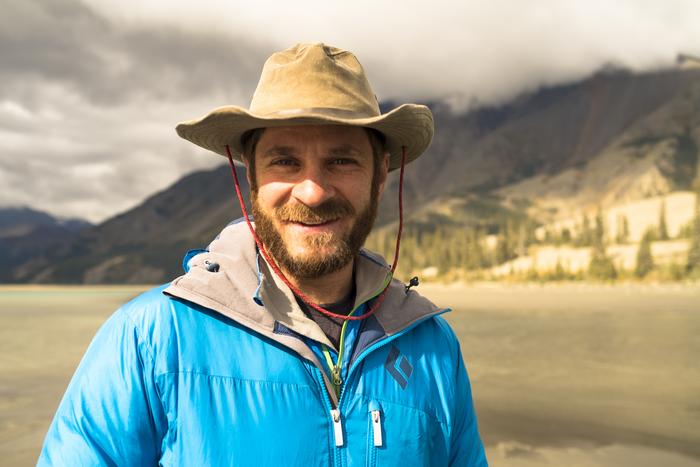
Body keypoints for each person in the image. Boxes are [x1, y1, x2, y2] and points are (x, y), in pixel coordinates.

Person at [38, 42, 488, 466]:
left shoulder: (432, 347)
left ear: (380, 180)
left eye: (341, 160)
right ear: (251, 178)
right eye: (285, 161)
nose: (312, 192)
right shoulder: (152, 337)